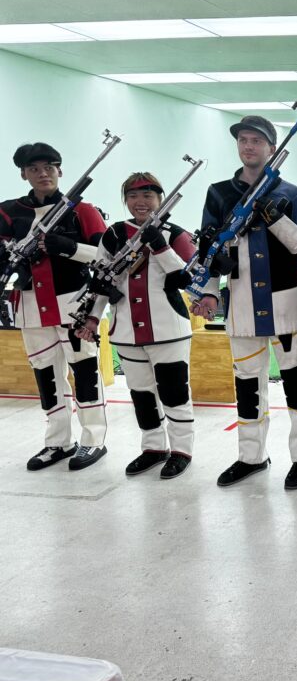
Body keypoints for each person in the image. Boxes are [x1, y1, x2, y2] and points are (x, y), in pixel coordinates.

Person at [190, 115, 297, 490]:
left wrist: (276, 218)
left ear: (272, 148)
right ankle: (251, 457)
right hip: (242, 304)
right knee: (247, 385)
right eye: (243, 140)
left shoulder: (293, 194)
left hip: (287, 302)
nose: (248, 146)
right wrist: (208, 292)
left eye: (257, 141)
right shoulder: (219, 193)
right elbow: (209, 249)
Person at [76, 173, 197, 479]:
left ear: (160, 199)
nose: (140, 202)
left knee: (174, 393)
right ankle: (153, 448)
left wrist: (160, 246)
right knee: (141, 395)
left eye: (147, 195)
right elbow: (102, 281)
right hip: (126, 330)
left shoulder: (175, 234)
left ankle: (181, 450)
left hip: (168, 329)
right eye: (132, 196)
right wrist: (92, 318)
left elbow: (187, 279)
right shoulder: (114, 234)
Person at [0, 142, 109, 471]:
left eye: (49, 167)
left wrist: (69, 248)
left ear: (59, 170)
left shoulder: (83, 210)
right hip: (30, 306)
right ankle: (58, 442)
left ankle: (93, 439)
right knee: (46, 375)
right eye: (34, 169)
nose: (42, 174)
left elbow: (107, 257)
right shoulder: (8, 212)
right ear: (24, 174)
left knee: (85, 372)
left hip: (73, 304)